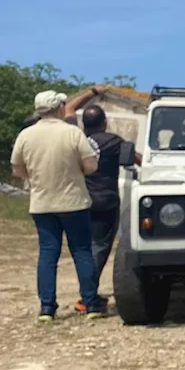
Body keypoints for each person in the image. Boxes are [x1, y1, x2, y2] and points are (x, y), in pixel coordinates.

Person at [10, 91, 108, 321]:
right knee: (81, 251)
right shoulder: (72, 133)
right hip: (73, 200)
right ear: (59, 108)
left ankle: (47, 307)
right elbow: (91, 165)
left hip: (42, 202)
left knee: (47, 253)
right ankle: (91, 303)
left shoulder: (26, 135)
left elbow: (17, 168)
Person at [74, 104, 143, 312]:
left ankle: (88, 294)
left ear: (84, 124)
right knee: (100, 247)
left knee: (84, 248)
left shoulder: (77, 140)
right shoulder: (113, 141)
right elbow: (136, 158)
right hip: (105, 201)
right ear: (104, 122)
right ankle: (87, 298)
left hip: (79, 201)